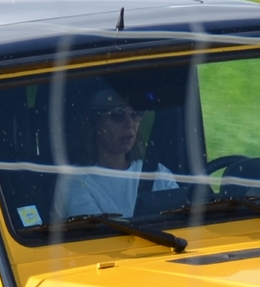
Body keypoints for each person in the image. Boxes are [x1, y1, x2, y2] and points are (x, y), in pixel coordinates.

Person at [52, 85, 181, 222]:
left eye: (135, 114)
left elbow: (182, 224)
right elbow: (100, 238)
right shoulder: (75, 182)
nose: (129, 124)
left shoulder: (159, 173)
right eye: (117, 115)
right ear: (94, 123)